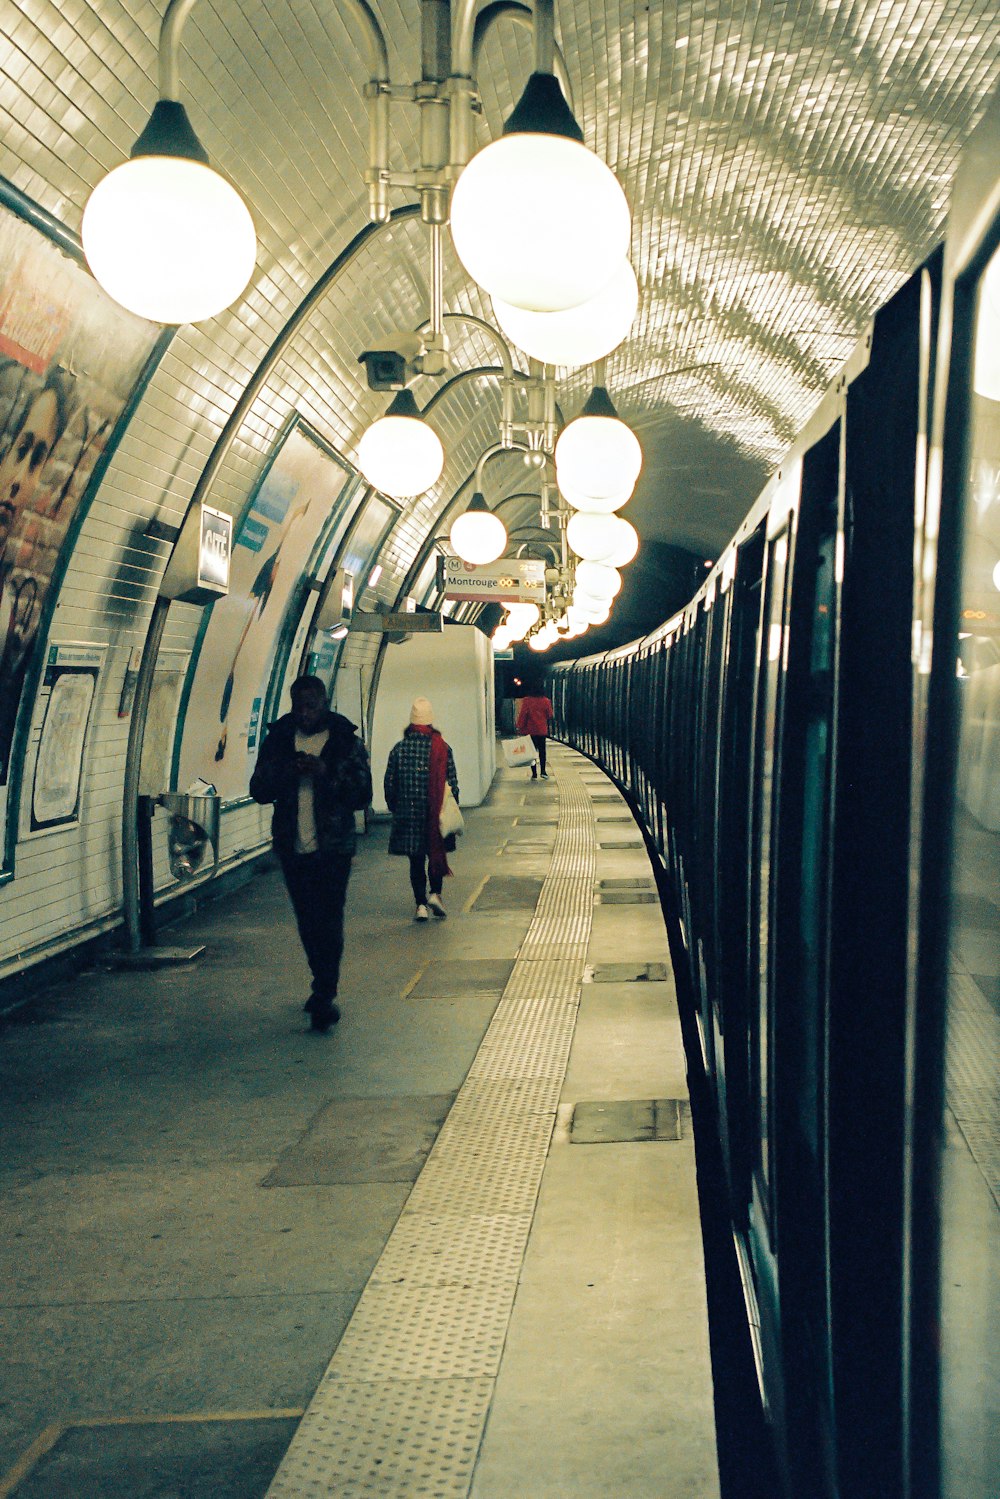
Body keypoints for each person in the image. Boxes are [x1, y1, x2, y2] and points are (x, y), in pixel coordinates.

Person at [249, 674, 372, 1032]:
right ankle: (320, 979)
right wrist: (287, 771)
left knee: (329, 918)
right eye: (298, 706)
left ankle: (325, 992)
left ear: (324, 703)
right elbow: (258, 788)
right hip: (293, 846)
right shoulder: (279, 739)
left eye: (311, 706)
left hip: (333, 847)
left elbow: (361, 795)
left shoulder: (344, 741)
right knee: (307, 919)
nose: (304, 714)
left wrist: (324, 773)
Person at [384, 696, 460, 922]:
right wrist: (450, 809)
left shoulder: (399, 749)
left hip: (408, 816)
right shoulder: (443, 748)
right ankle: (435, 894)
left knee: (416, 862)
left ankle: (420, 905)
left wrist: (395, 807)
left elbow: (389, 783)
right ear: (430, 722)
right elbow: (453, 784)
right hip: (435, 815)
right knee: (435, 854)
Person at [516, 685, 554, 778]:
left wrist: (519, 727)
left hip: (530, 730)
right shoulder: (546, 701)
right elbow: (550, 715)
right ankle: (543, 771)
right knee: (542, 752)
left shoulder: (527, 701)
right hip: (542, 731)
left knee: (532, 752)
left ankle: (534, 773)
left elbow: (523, 715)